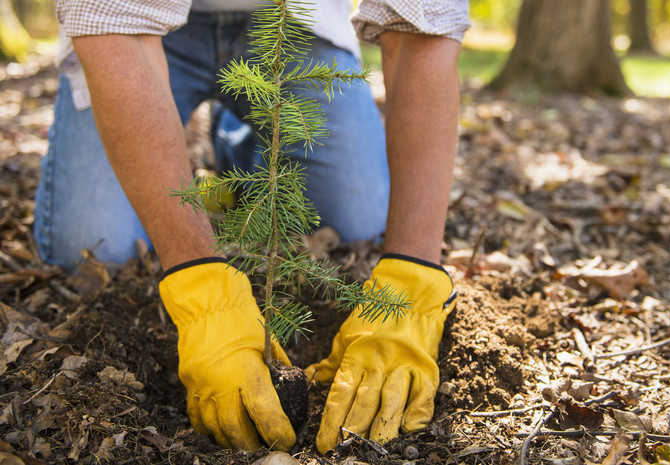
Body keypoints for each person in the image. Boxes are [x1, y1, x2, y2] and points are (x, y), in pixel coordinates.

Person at [37, 0, 468, 454]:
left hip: (294, 19)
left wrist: (410, 277)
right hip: (139, 30)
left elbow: (426, 24)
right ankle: (208, 163)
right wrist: (199, 285)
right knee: (92, 248)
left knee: (357, 219)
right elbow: (112, 19)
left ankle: (242, 148)